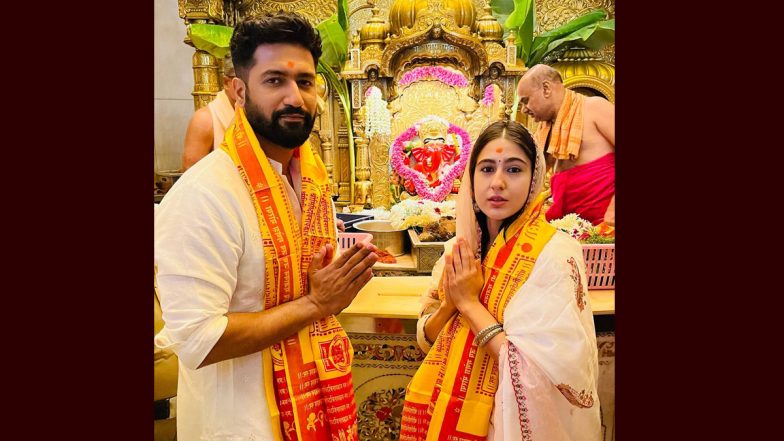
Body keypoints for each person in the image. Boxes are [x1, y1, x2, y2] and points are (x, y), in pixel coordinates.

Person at [155, 12, 378, 441]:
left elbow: (310, 290)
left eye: (306, 82)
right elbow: (197, 340)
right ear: (239, 90)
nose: (295, 97)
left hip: (312, 407)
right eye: (274, 80)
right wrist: (316, 305)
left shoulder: (308, 180)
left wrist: (330, 290)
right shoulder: (205, 194)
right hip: (241, 423)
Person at [401, 120, 600, 440]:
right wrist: (450, 305)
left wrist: (468, 303)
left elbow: (543, 377)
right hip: (445, 412)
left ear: (535, 178)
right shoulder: (458, 250)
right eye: (487, 168)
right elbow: (426, 338)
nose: (497, 182)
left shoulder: (556, 255)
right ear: (471, 177)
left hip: (509, 426)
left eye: (514, 169)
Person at [517, 64, 615, 226]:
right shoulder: (545, 129)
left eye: (525, 101)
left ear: (546, 89)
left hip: (606, 227)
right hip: (568, 226)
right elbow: (531, 175)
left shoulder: (594, 107)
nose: (524, 110)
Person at [181, 55, 239, 171]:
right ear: (226, 82)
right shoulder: (204, 119)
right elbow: (191, 175)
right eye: (242, 81)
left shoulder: (258, 113)